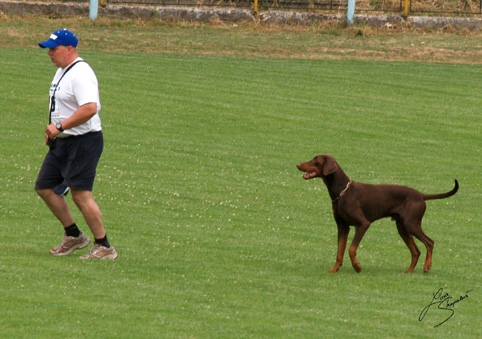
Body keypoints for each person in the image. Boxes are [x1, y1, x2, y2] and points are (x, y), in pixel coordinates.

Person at [35, 29, 117, 260]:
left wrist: (60, 127)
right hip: (63, 141)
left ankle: (104, 246)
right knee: (45, 187)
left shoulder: (80, 73)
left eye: (54, 49)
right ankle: (74, 236)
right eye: (49, 49)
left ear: (70, 49)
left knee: (81, 195)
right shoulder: (63, 71)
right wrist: (55, 131)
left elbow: (90, 108)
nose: (50, 53)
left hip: (84, 141)